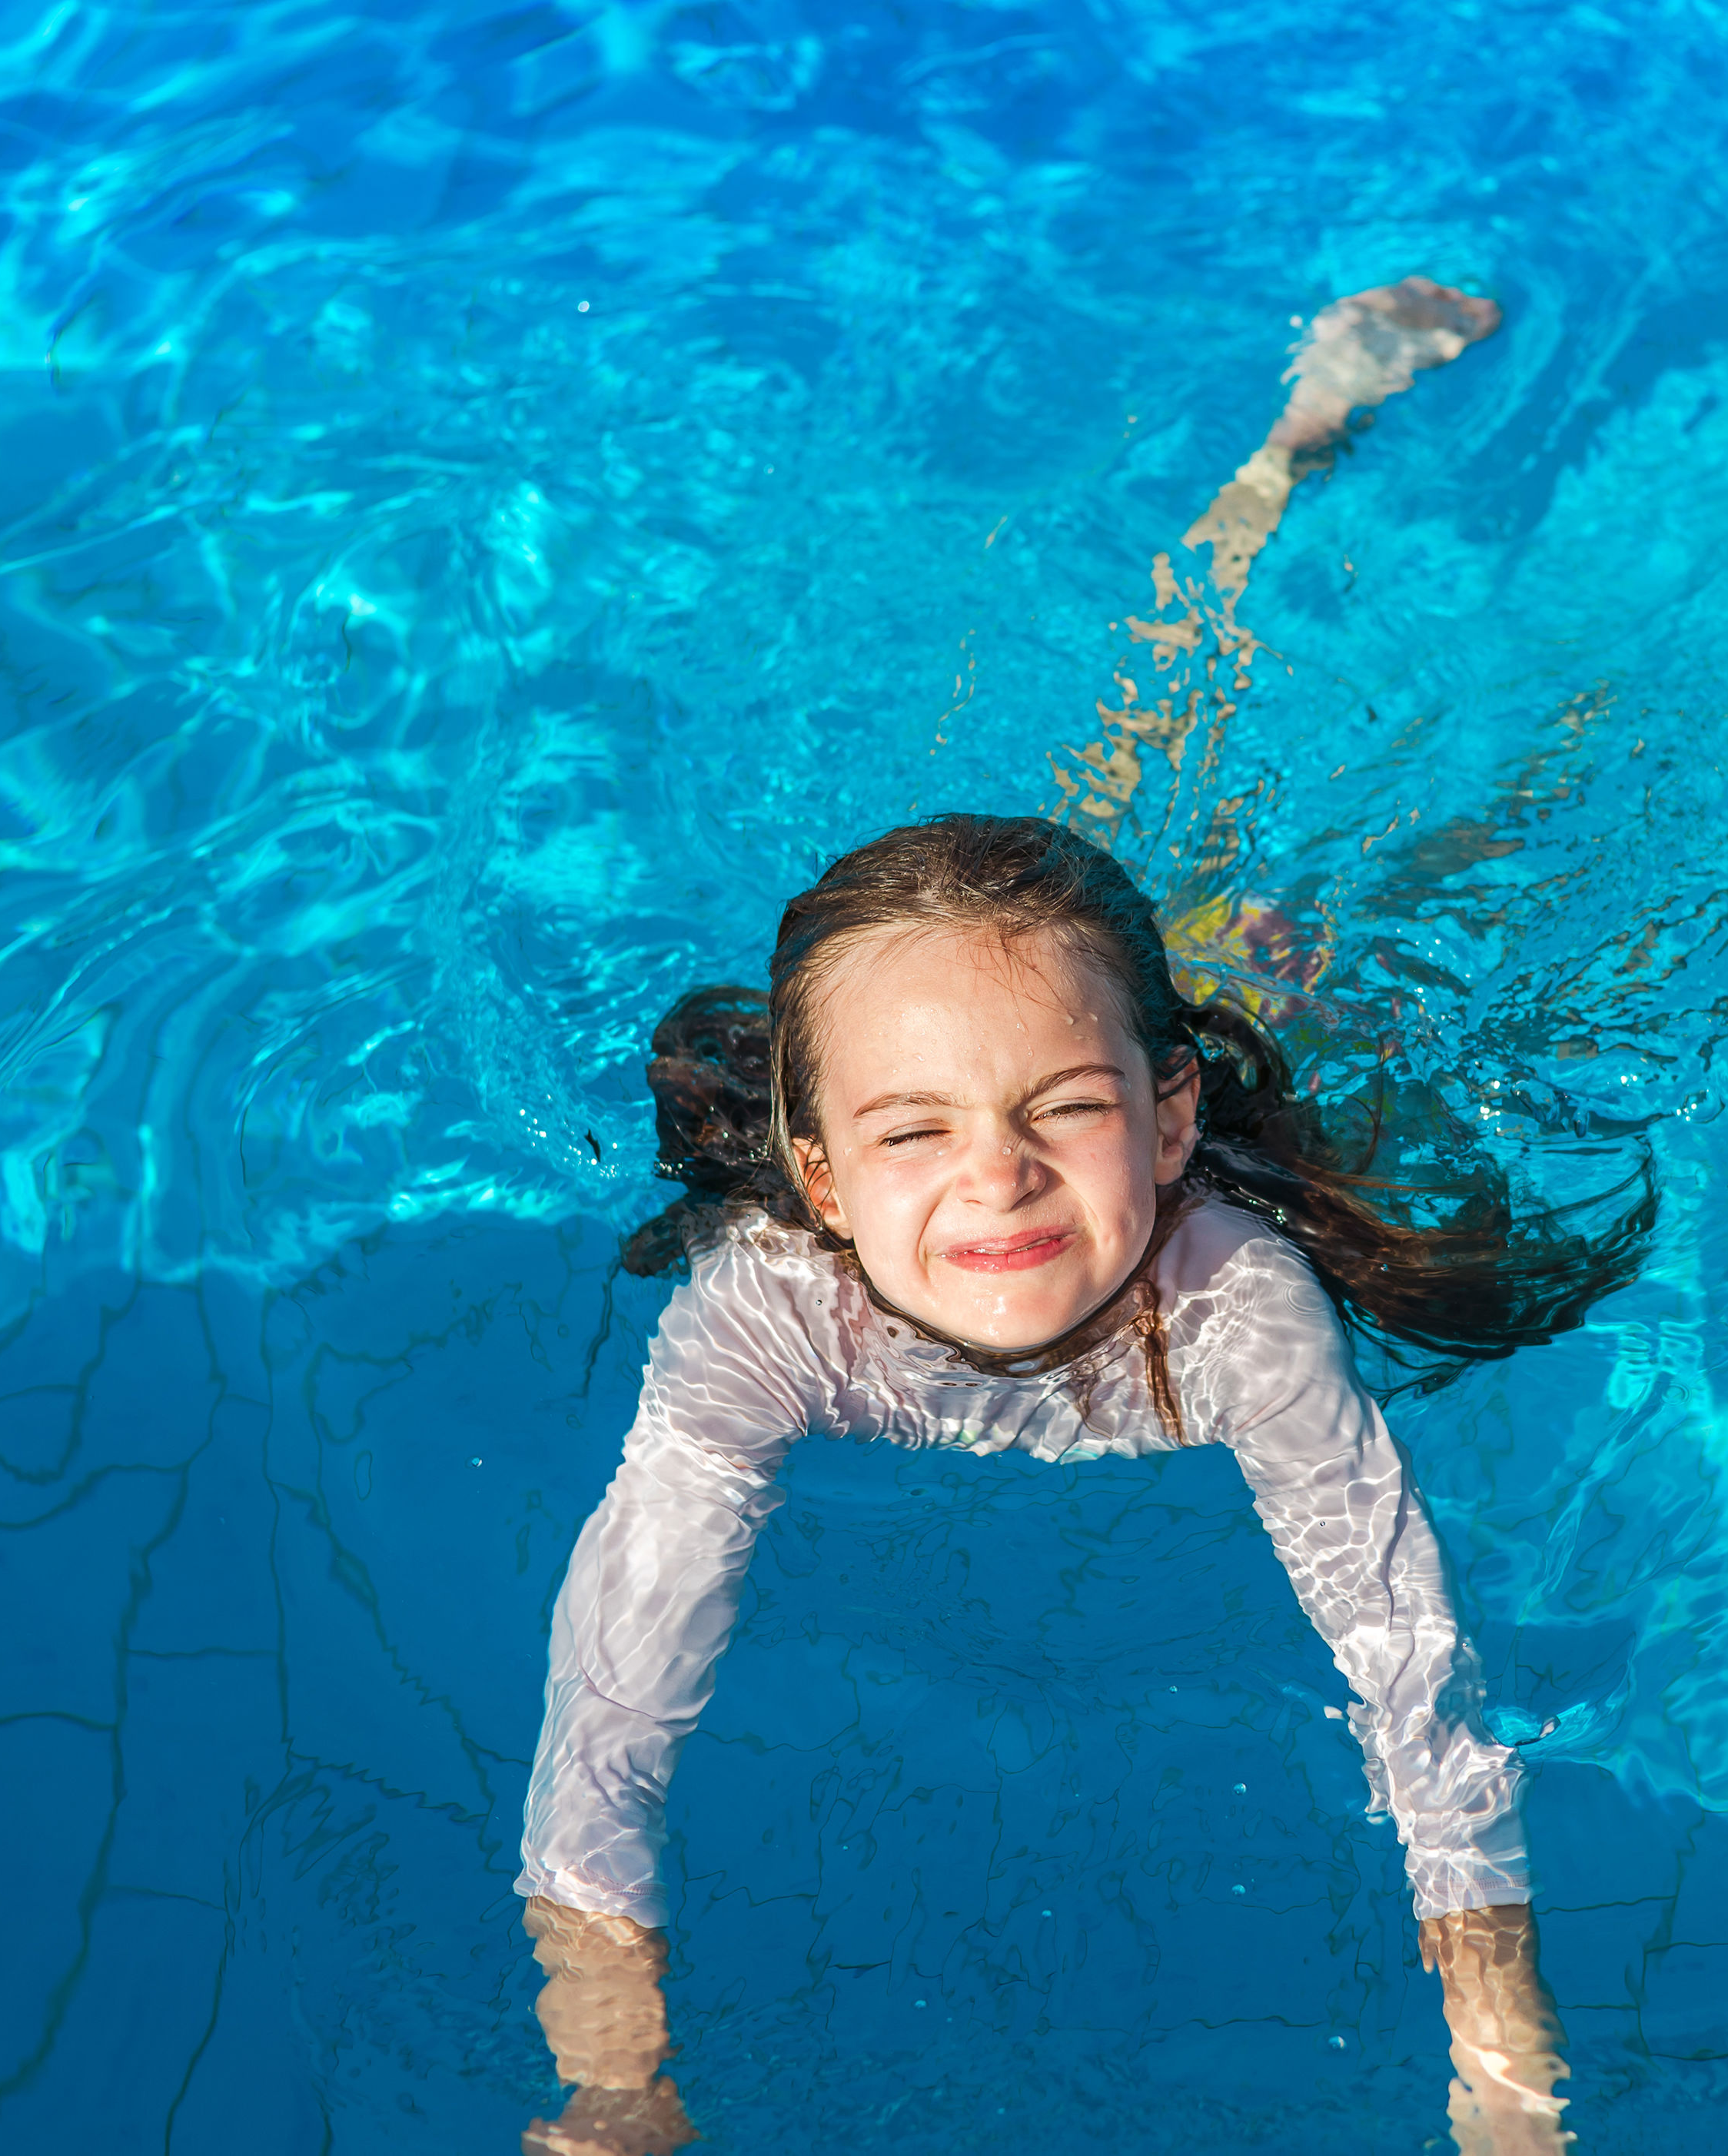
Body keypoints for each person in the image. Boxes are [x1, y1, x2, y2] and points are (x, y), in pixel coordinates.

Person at [518, 283, 1630, 2156]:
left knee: (1406, 872)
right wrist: (610, 2075)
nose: (997, 1181)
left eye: (1065, 1115)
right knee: (1135, 760)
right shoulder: (765, 1314)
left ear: (1174, 1113)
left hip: (1259, 989)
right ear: (815, 1172)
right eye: (910, 1133)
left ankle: (1305, 447)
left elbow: (1410, 1672)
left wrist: (1502, 2066)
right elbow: (609, 1709)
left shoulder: (1236, 1303)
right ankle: (1287, 437)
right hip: (1090, 977)